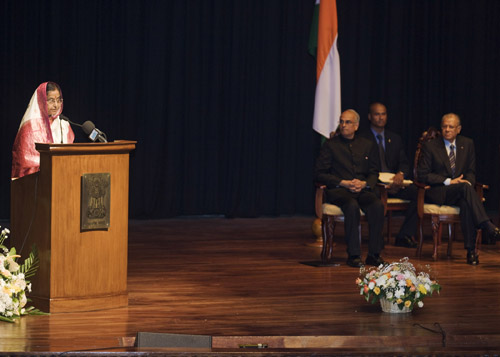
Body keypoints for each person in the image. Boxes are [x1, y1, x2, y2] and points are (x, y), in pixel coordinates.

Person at [417, 113, 500, 265]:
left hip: (460, 191)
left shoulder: (467, 144)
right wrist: (448, 181)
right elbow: (423, 175)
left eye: (451, 127)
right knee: (465, 190)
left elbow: (471, 172)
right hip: (438, 191)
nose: (447, 130)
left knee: (466, 202)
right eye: (444, 126)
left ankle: (470, 252)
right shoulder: (431, 146)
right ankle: (487, 225)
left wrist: (466, 182)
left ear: (459, 129)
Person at [315, 109, 385, 268]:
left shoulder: (367, 144)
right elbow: (320, 174)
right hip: (340, 191)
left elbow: (374, 172)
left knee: (376, 205)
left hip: (362, 190)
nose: (343, 125)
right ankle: (354, 255)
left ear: (356, 126)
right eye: (341, 122)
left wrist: (365, 183)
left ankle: (374, 255)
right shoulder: (331, 145)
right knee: (351, 206)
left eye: (347, 122)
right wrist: (343, 182)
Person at [359, 102, 418, 248]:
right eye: (377, 114)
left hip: (395, 184)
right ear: (369, 116)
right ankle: (376, 238)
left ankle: (404, 235)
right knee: (372, 198)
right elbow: (362, 167)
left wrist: (401, 174)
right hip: (374, 184)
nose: (380, 117)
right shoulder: (361, 138)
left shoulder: (395, 138)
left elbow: (404, 162)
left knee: (419, 193)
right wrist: (382, 185)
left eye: (383, 114)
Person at [12, 82, 75, 179]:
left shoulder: (63, 124)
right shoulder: (29, 128)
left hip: (62, 179)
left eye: (59, 100)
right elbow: (23, 163)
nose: (56, 105)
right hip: (35, 183)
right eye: (51, 100)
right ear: (41, 100)